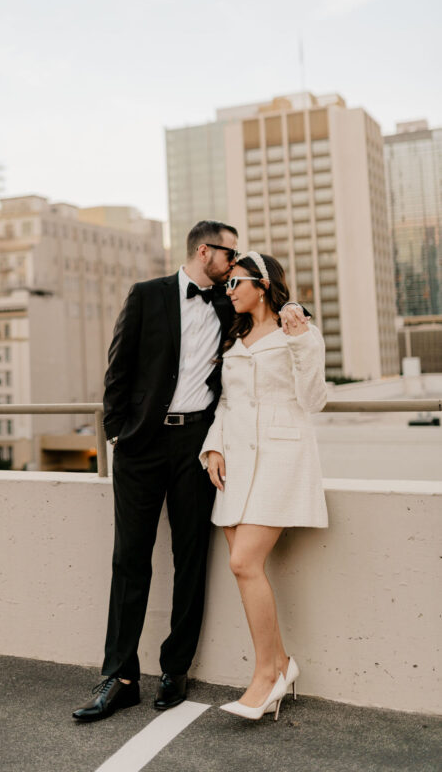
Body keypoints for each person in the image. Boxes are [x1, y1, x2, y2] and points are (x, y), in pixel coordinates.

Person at [72, 224, 307, 722]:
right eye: (230, 253)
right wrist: (118, 432)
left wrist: (297, 311)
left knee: (191, 558)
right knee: (129, 559)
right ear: (206, 251)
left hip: (196, 443)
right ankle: (120, 677)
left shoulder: (230, 302)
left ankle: (175, 669)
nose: (235, 263)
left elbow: (275, 317)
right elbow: (118, 368)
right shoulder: (146, 296)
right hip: (140, 445)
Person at [199, 250, 328, 722]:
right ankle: (280, 664)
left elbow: (314, 400)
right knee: (243, 567)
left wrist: (301, 343)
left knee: (243, 561)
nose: (228, 291)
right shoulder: (236, 337)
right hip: (234, 461)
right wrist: (213, 447)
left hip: (279, 458)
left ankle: (266, 677)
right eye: (226, 284)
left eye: (235, 283)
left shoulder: (297, 333)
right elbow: (228, 405)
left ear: (262, 284)